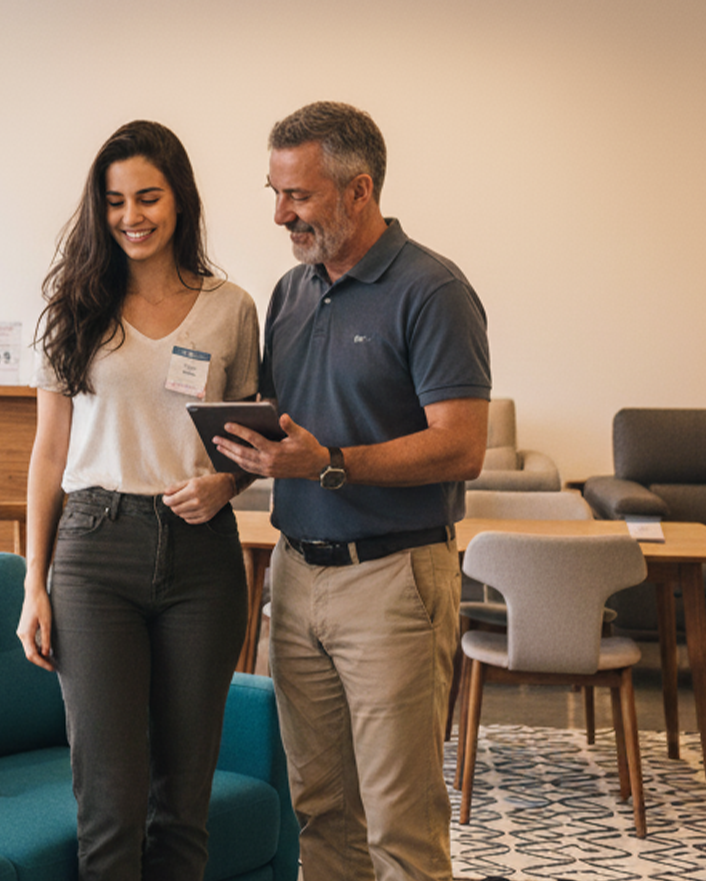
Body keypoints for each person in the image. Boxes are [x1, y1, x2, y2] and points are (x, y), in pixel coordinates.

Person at [215, 101, 491, 881]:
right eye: (273, 192)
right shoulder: (290, 292)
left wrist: (331, 463)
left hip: (392, 581)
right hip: (296, 577)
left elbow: (463, 446)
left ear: (358, 190)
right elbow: (283, 435)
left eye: (297, 195)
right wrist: (226, 463)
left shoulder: (432, 290)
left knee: (400, 827)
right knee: (321, 812)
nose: (279, 214)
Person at [16, 119, 259, 881]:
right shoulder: (72, 304)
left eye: (147, 198)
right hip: (94, 554)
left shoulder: (232, 308)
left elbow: (250, 439)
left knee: (183, 805)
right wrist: (33, 584)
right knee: (111, 806)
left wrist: (227, 483)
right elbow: (48, 453)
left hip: (202, 559)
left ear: (179, 198)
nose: (132, 217)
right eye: (115, 201)